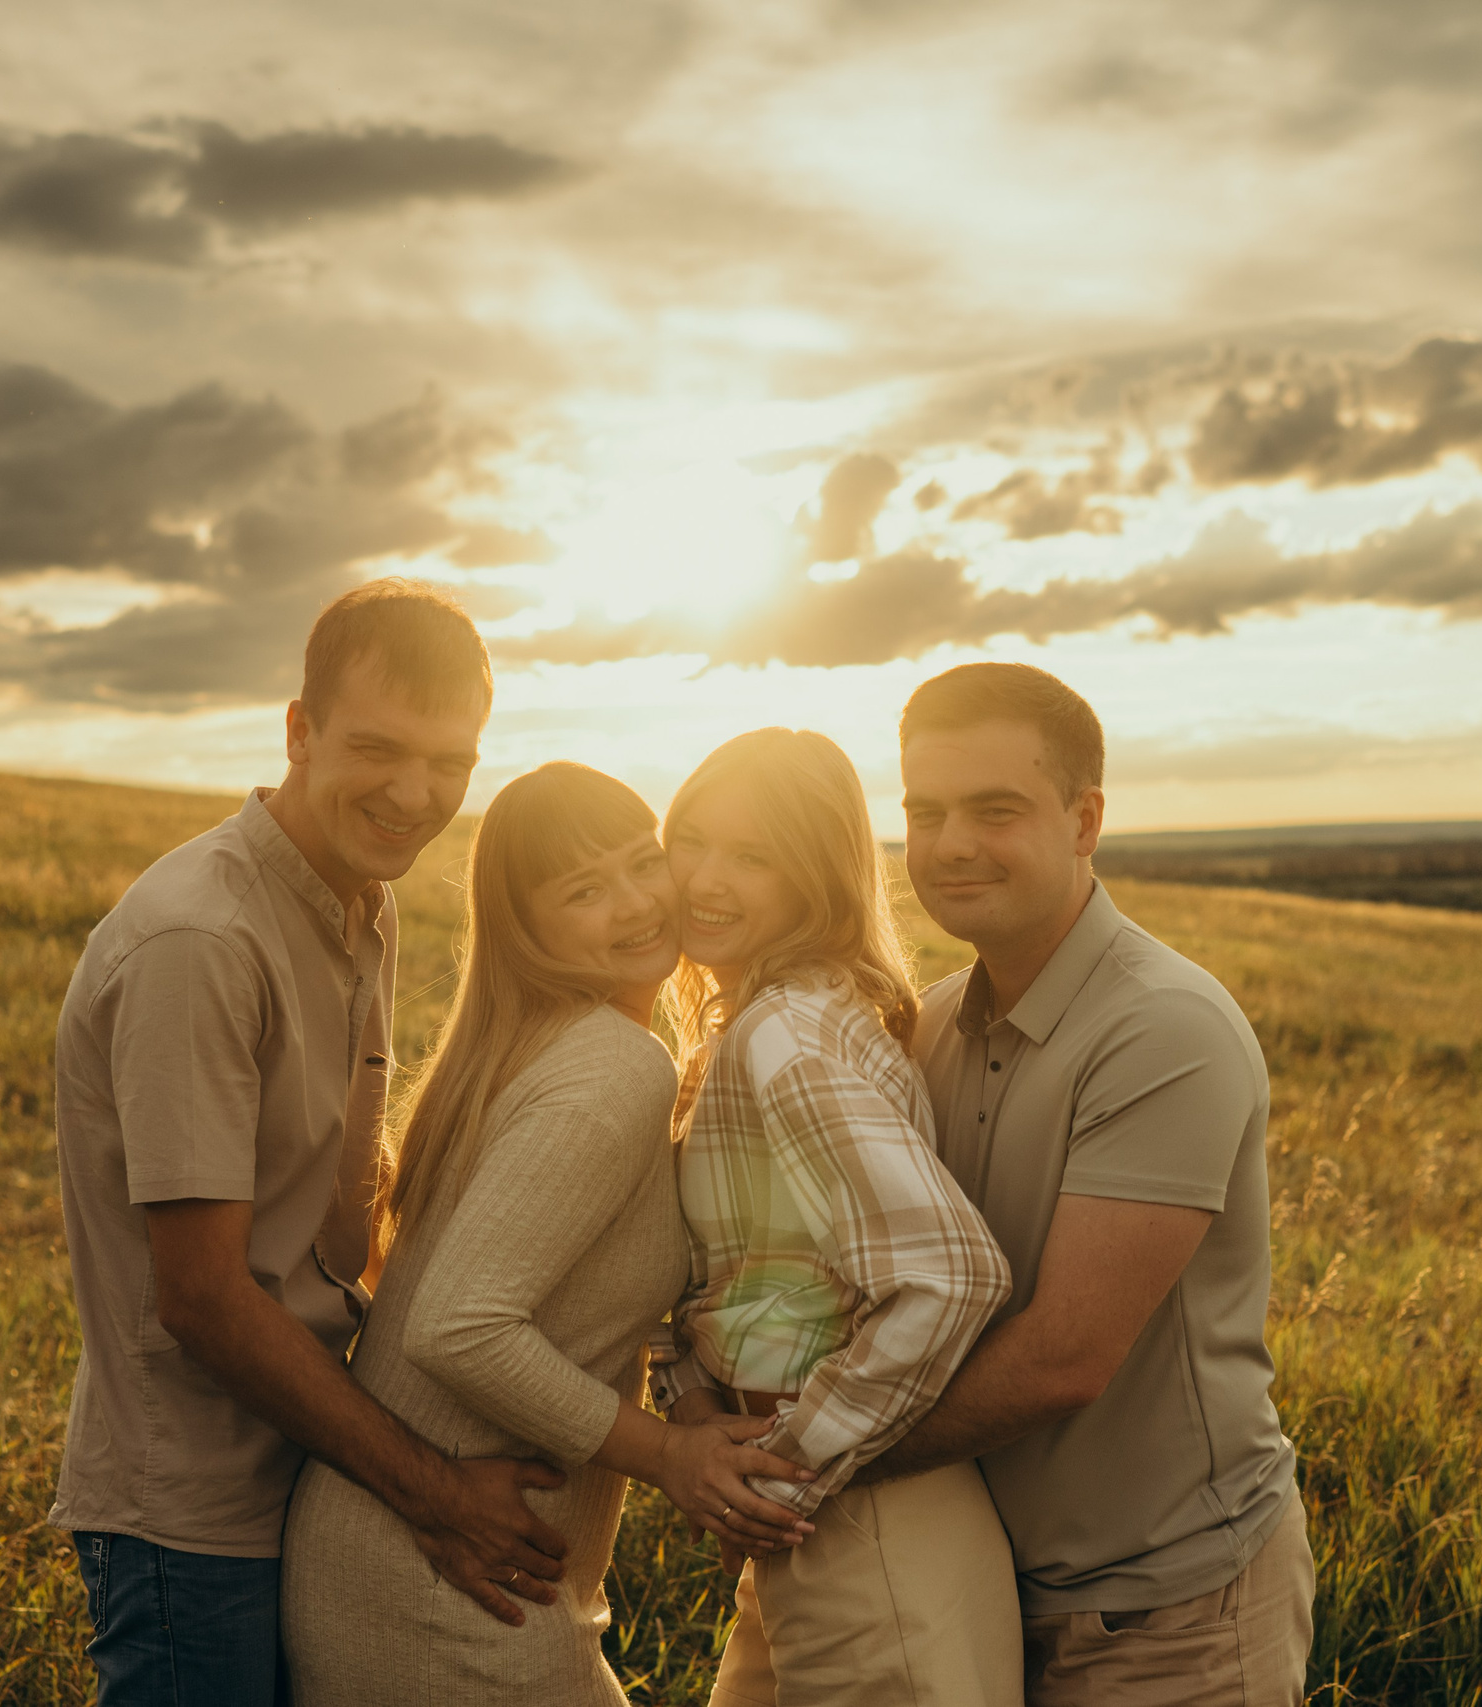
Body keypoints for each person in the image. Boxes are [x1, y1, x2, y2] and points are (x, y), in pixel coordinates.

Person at [49, 581, 575, 1707]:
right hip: (192, 1513)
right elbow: (202, 1299)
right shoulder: (203, 940)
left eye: (451, 762)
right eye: (378, 748)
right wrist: (434, 1490)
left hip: (311, 1472)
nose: (415, 793)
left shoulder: (358, 906)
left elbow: (342, 1227)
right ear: (298, 731)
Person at [282, 761, 818, 1706]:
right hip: (444, 1586)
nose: (635, 903)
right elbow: (457, 1324)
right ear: (528, 927)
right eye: (583, 890)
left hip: (434, 1560)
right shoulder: (614, 1065)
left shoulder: (532, 1043)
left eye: (641, 863)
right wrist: (668, 1456)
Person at [862, 662, 1315, 1707]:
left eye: (995, 810)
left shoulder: (1164, 1029)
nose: (951, 843)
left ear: (1084, 820)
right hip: (972, 1591)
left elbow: (1063, 1359)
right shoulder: (922, 1026)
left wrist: (815, 1463)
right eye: (924, 812)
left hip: (1169, 1613)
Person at [658, 727, 1022, 1707]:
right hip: (835, 1529)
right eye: (691, 838)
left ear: (815, 878)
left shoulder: (784, 1039)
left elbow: (952, 1274)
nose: (704, 878)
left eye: (754, 855)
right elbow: (747, 1276)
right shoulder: (788, 1014)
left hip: (867, 1539)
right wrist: (690, 1396)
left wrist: (785, 1464)